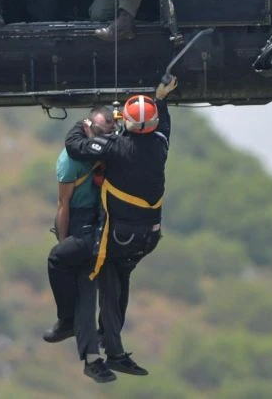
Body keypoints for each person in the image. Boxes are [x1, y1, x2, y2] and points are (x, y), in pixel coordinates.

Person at [65, 74, 178, 383]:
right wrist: (160, 98)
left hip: (120, 236)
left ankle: (108, 348)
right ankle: (112, 346)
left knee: (105, 285)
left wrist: (85, 123)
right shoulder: (160, 144)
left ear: (125, 122)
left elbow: (75, 146)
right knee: (119, 284)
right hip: (148, 237)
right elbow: (162, 122)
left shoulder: (115, 146)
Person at [42, 106, 112, 345]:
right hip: (83, 219)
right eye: (100, 133)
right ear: (88, 128)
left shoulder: (114, 149)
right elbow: (64, 204)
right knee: (60, 257)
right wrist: (63, 240)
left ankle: (77, 323)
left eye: (108, 134)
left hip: (107, 217)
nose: (103, 140)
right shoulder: (70, 161)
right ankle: (69, 321)